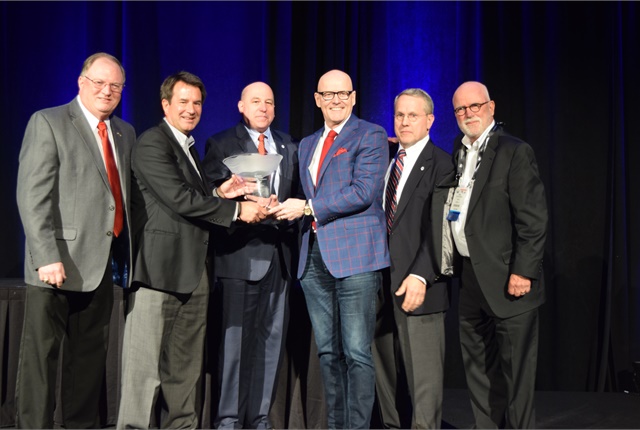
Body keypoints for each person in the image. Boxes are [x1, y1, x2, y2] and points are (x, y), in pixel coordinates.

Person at [116, 71, 267, 429]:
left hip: (194, 276)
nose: (191, 109)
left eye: (197, 103)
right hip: (158, 274)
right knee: (144, 374)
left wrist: (220, 193)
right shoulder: (153, 143)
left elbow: (193, 200)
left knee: (183, 374)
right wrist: (236, 209)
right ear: (165, 104)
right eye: (183, 102)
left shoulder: (188, 147)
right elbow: (179, 200)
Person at [15, 52, 135, 428]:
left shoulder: (124, 132)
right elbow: (33, 196)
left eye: (115, 86)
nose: (107, 91)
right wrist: (45, 255)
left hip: (100, 267)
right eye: (99, 83)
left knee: (87, 364)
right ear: (81, 83)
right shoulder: (48, 122)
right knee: (41, 362)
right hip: (55, 266)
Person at [269, 69, 390, 429]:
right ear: (317, 99)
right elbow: (308, 193)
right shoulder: (306, 144)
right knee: (328, 353)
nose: (336, 100)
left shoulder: (371, 134)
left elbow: (363, 192)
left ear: (353, 97)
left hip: (356, 258)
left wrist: (306, 207)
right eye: (328, 94)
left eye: (343, 93)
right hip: (314, 258)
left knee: (356, 353)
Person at [446, 81, 548, 428]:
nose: (468, 114)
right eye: (460, 109)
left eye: (474, 106)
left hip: (510, 280)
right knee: (477, 369)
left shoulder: (514, 151)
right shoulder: (458, 152)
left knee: (516, 377)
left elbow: (533, 220)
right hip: (471, 279)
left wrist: (524, 272)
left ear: (491, 107)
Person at [201, 81, 301, 429]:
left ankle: (259, 419)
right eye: (256, 101)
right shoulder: (222, 143)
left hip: (281, 259)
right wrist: (242, 203)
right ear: (241, 106)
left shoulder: (290, 145)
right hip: (239, 256)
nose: (263, 107)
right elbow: (210, 197)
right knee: (234, 346)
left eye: (269, 102)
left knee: (271, 344)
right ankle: (228, 420)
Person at [372, 88, 454, 429]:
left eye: (413, 115)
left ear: (430, 120)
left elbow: (439, 231)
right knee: (385, 380)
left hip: (419, 286)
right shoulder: (386, 158)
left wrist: (421, 275)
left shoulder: (443, 164)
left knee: (424, 385)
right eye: (399, 115)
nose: (404, 122)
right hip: (378, 286)